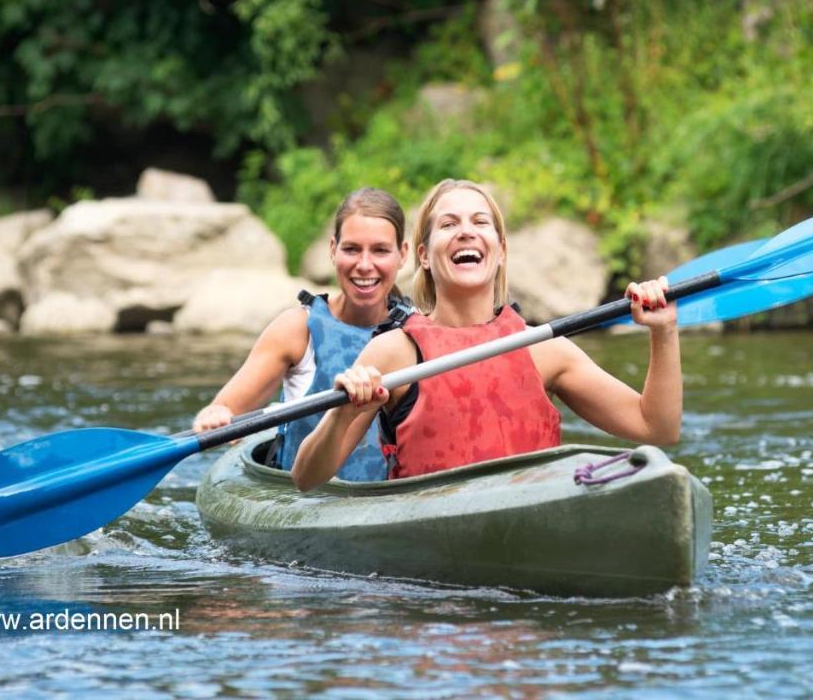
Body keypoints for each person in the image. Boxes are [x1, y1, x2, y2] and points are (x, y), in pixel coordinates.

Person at [291, 179, 681, 491]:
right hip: (429, 563)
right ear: (424, 256)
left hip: (531, 525)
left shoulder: (545, 350)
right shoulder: (395, 353)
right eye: (448, 224)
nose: (466, 232)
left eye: (480, 223)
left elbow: (657, 428)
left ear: (501, 249)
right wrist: (342, 416)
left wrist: (663, 333)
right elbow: (305, 479)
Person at [192, 187, 412, 481]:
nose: (364, 264)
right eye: (351, 249)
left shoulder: (417, 331)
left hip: (387, 505)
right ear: (332, 250)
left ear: (404, 254)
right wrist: (214, 416)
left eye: (380, 250)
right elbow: (224, 411)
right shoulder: (297, 329)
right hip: (304, 500)